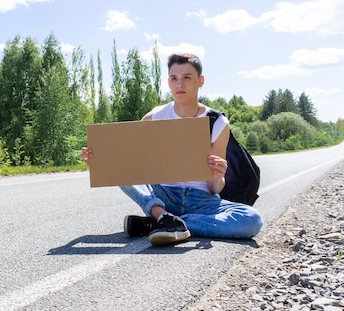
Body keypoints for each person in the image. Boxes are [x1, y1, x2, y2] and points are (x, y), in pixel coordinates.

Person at [81, 53, 263, 246]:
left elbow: (214, 188)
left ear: (200, 81)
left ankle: (164, 222)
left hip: (203, 201)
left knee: (252, 220)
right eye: (174, 78)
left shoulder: (217, 122)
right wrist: (99, 158)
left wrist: (218, 176)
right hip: (163, 195)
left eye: (187, 78)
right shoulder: (155, 117)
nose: (180, 84)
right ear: (168, 82)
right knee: (119, 165)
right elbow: (129, 159)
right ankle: (163, 216)